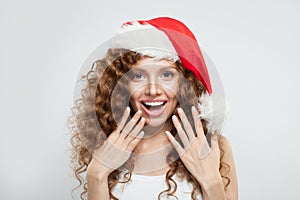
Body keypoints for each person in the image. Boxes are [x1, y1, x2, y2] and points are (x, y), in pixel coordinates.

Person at [68, 17, 238, 200]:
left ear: (185, 83)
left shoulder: (214, 146)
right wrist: (97, 174)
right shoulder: (106, 144)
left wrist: (211, 182)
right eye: (138, 76)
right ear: (121, 84)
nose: (153, 90)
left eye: (167, 75)